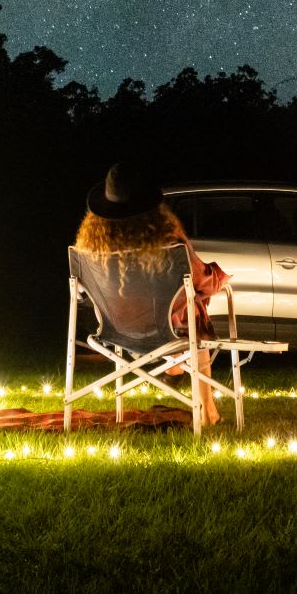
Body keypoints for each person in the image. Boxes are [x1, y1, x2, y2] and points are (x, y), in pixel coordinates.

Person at [75, 162, 230, 424]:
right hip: (168, 331)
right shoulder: (169, 242)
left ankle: (175, 364)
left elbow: (82, 291)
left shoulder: (91, 249)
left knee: (184, 312)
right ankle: (207, 410)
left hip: (117, 331)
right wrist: (218, 278)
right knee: (194, 318)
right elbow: (200, 280)